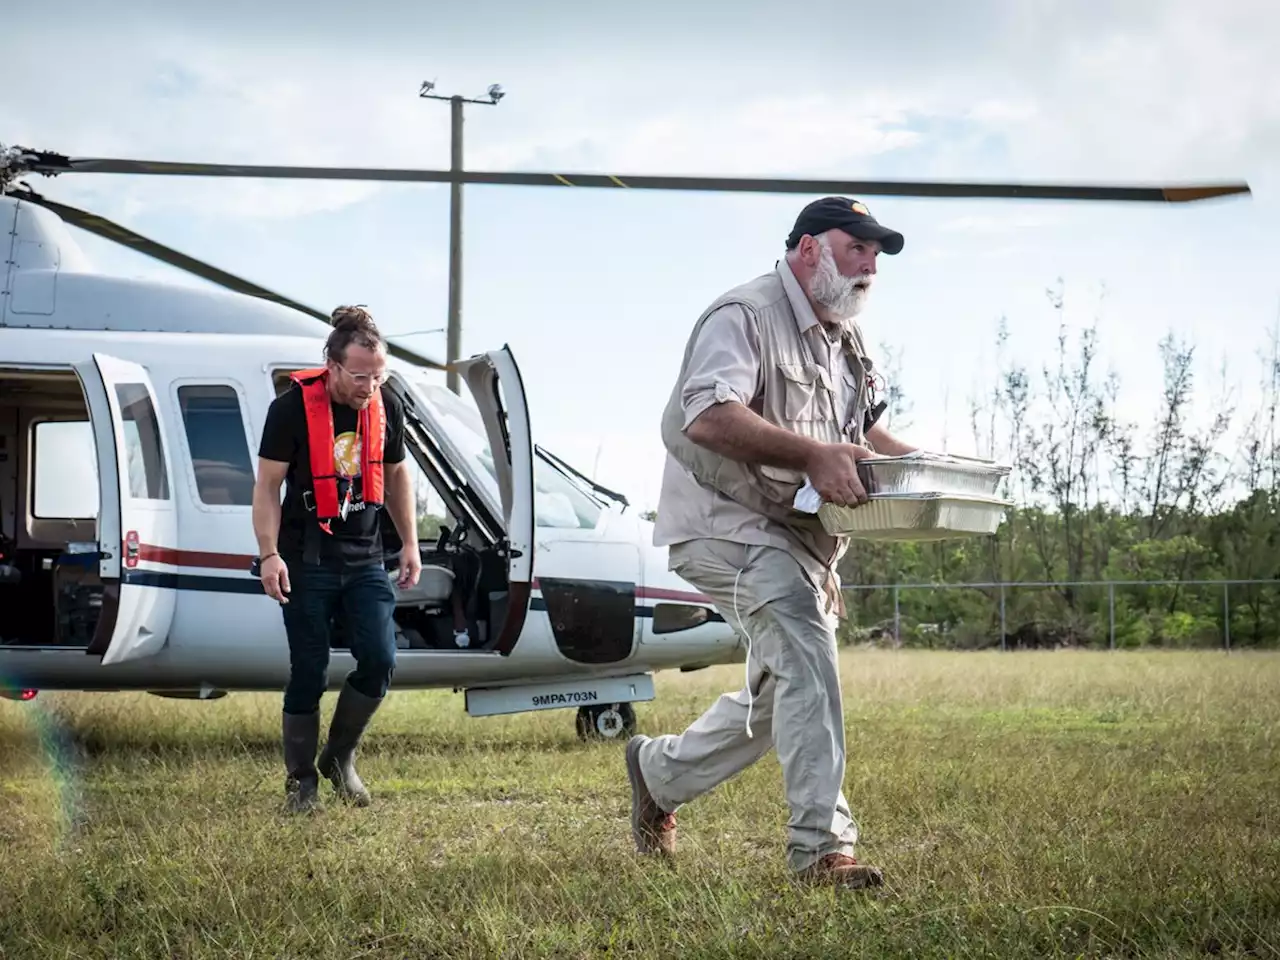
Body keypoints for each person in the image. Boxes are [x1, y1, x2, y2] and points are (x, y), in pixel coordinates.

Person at [626, 197, 918, 888]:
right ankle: (821, 849)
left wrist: (933, 472)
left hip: (797, 538)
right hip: (723, 527)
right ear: (810, 248)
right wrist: (814, 455)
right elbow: (707, 416)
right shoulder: (744, 314)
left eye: (877, 256)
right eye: (858, 249)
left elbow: (865, 432)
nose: (870, 266)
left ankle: (656, 773)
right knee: (808, 659)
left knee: (778, 693)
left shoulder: (846, 337)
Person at [251, 305, 422, 813]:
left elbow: (395, 476)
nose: (370, 386)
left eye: (379, 374)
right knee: (309, 668)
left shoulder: (387, 402)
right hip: (307, 557)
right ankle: (301, 780)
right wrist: (268, 555)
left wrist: (409, 542)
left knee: (380, 659)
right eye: (360, 376)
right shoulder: (289, 408)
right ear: (331, 364)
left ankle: (338, 758)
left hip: (366, 556)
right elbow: (266, 487)